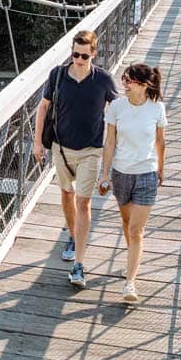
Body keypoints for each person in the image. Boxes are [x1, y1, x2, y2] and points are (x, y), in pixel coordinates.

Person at [33, 29, 118, 290]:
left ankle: (79, 265)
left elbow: (117, 115)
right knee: (66, 196)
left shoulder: (103, 80)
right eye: (75, 54)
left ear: (93, 54)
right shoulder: (58, 75)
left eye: (83, 55)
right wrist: (37, 143)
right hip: (60, 148)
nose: (78, 60)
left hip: (91, 150)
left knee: (83, 202)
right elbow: (43, 107)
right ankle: (72, 234)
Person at [98, 62, 166, 304]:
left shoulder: (157, 108)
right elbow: (110, 143)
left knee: (136, 230)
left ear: (143, 84)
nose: (124, 83)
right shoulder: (116, 107)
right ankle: (132, 260)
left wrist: (161, 168)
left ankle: (130, 283)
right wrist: (104, 174)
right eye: (124, 79)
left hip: (146, 174)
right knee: (127, 224)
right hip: (121, 173)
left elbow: (160, 141)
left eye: (128, 80)